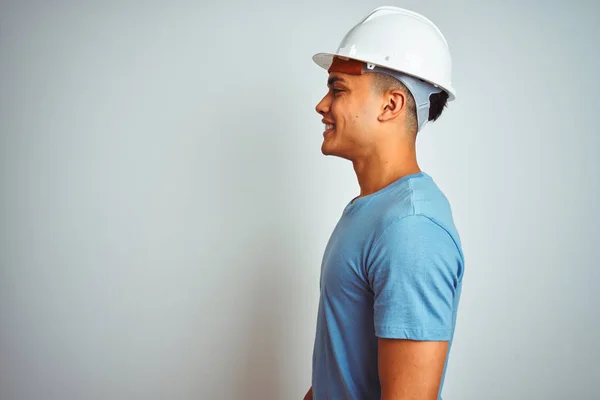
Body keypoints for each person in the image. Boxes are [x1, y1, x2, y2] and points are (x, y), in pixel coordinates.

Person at [303, 7, 465, 400]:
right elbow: (341, 368)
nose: (322, 105)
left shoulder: (411, 228)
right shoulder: (373, 209)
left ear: (390, 105)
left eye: (338, 89)